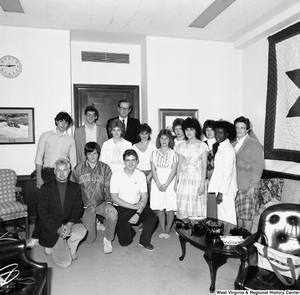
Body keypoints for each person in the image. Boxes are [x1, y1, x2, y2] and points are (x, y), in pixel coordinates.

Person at [27, 111, 76, 249]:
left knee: (60, 207)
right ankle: (36, 237)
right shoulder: (46, 136)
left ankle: (57, 236)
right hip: (48, 174)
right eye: (61, 121)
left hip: (64, 175)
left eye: (66, 122)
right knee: (43, 207)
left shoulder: (70, 140)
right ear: (56, 121)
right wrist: (39, 178)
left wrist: (72, 181)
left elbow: (74, 161)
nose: (63, 124)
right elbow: (38, 158)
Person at [38, 158, 87, 268]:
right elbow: (42, 212)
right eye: (58, 170)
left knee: (81, 231)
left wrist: (70, 224)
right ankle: (55, 244)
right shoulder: (45, 188)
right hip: (53, 227)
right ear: (54, 171)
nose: (61, 173)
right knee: (65, 263)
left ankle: (70, 247)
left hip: (69, 223)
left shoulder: (75, 187)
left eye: (64, 170)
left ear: (69, 171)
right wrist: (57, 229)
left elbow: (78, 208)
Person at [70, 142, 118, 254]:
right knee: (90, 240)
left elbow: (108, 187)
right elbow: (72, 190)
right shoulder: (78, 169)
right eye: (89, 153)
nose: (92, 156)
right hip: (86, 207)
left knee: (113, 214)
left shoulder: (105, 168)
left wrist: (109, 203)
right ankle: (94, 222)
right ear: (85, 154)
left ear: (98, 154)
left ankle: (108, 239)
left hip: (101, 204)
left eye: (95, 153)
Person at [110, 149, 157, 251]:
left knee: (152, 217)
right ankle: (130, 230)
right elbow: (114, 198)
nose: (130, 163)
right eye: (127, 160)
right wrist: (134, 208)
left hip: (137, 205)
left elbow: (144, 197)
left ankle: (144, 241)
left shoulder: (141, 175)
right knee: (125, 242)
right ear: (124, 161)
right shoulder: (116, 175)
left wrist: (138, 213)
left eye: (133, 160)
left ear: (137, 161)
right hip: (121, 207)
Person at [233, 116, 264, 232]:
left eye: (242, 128)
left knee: (247, 216)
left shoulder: (253, 143)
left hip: (248, 186)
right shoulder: (233, 144)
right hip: (236, 186)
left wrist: (253, 186)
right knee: (239, 215)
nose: (239, 130)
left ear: (247, 129)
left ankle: (246, 244)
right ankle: (239, 241)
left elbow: (258, 166)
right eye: (237, 127)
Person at [175, 117, 208, 220]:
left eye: (191, 129)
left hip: (197, 178)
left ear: (196, 130)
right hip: (184, 179)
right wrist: (176, 182)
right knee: (183, 205)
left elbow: (204, 166)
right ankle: (184, 231)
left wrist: (202, 184)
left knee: (196, 205)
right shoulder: (181, 146)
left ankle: (196, 232)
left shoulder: (202, 146)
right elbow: (179, 164)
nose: (189, 132)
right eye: (186, 129)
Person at [208, 120, 238, 225]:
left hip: (226, 190)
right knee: (222, 217)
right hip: (222, 188)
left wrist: (221, 193)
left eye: (220, 133)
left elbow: (228, 173)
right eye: (216, 132)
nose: (217, 135)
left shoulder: (228, 150)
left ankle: (232, 240)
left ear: (227, 134)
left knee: (228, 218)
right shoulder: (221, 147)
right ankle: (226, 239)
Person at [150, 129, 178, 238]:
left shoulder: (173, 153)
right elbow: (153, 170)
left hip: (169, 182)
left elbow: (174, 170)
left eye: (167, 138)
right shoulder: (154, 153)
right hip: (157, 182)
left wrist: (166, 184)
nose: (164, 140)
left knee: (169, 207)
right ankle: (162, 229)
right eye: (162, 138)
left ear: (170, 140)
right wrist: (158, 184)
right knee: (160, 207)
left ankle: (168, 230)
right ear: (159, 140)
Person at [132, 123, 156, 201]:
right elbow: (133, 163)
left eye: (146, 133)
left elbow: (156, 162)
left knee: (152, 198)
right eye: (142, 133)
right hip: (138, 173)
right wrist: (142, 176)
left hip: (152, 173)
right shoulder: (134, 147)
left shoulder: (154, 146)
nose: (144, 135)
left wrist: (150, 176)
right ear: (139, 134)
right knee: (140, 198)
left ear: (149, 134)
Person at [202, 119, 217, 219]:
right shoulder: (202, 144)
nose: (209, 132)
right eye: (207, 130)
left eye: (212, 130)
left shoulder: (220, 144)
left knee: (215, 202)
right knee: (204, 202)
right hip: (205, 176)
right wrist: (205, 177)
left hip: (216, 177)